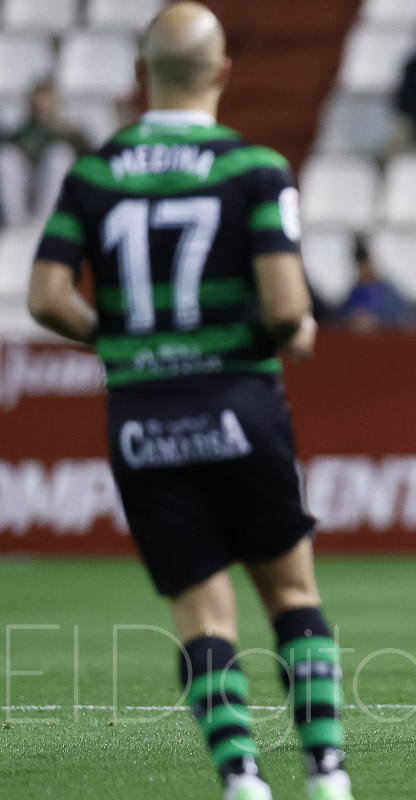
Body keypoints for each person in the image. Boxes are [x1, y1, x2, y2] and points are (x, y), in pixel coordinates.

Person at [25, 5, 353, 800]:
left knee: (202, 616)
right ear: (220, 72)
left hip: (142, 416)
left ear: (142, 75)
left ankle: (241, 778)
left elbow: (44, 296)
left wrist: (122, 338)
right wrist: (299, 328)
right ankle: (326, 772)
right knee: (293, 595)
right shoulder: (254, 167)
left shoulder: (95, 172)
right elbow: (282, 307)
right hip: (239, 399)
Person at [0, 78, 89, 225]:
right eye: (41, 97)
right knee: (8, 157)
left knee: (60, 155)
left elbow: (85, 157)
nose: (45, 102)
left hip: (53, 186)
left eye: (49, 97)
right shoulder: (23, 129)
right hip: (26, 180)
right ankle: (16, 225)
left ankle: (46, 223)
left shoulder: (70, 129)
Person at [342, 234, 413, 332]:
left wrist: (377, 320)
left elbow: (402, 318)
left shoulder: (388, 291)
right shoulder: (355, 291)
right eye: (359, 267)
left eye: (365, 265)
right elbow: (342, 317)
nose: (363, 270)